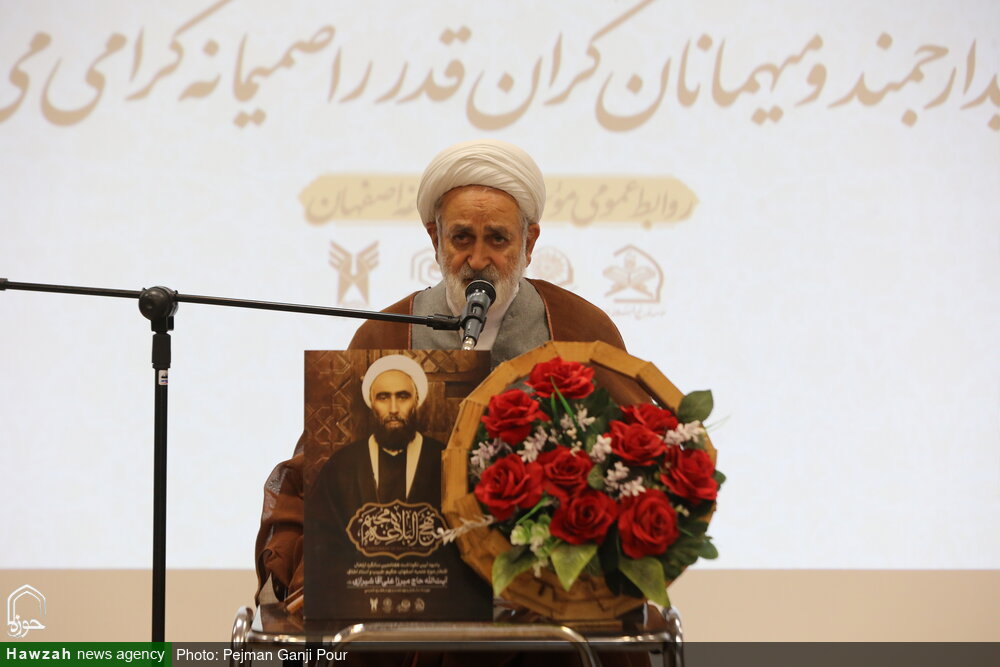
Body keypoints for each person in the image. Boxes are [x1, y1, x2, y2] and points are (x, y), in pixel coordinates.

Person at [256, 139, 654, 667]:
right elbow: (326, 478)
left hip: (550, 602)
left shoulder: (580, 328)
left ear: (530, 241)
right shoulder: (385, 334)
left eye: (498, 239)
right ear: (434, 238)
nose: (478, 259)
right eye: (461, 238)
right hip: (409, 604)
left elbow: (634, 457)